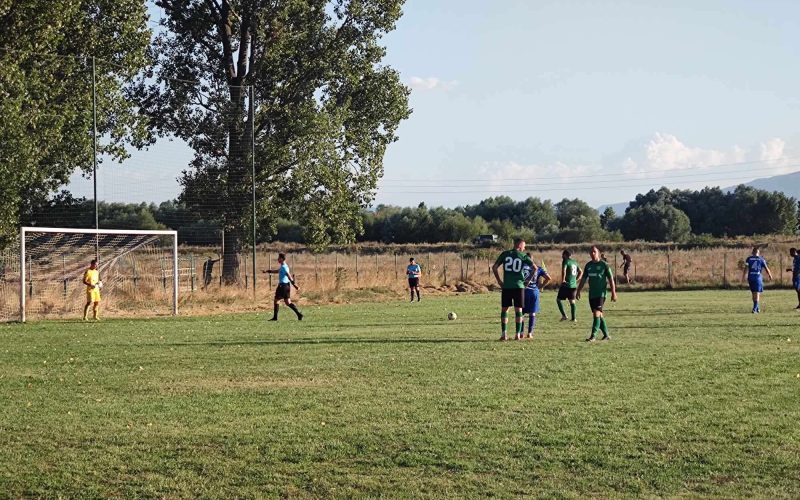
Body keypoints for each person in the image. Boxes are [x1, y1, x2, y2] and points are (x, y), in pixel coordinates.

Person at [492, 238, 534, 341]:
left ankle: (504, 334)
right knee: (518, 310)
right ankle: (517, 334)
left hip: (506, 286)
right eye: (524, 246)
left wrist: (499, 281)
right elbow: (535, 268)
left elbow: (494, 267)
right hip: (518, 286)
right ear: (519, 246)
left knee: (505, 309)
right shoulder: (523, 255)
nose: (524, 248)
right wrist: (528, 280)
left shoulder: (505, 254)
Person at [576, 246, 617, 342]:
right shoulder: (588, 266)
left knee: (596, 314)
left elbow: (611, 279)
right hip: (592, 294)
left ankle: (593, 336)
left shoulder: (604, 265)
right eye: (591, 252)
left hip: (601, 294)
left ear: (598, 253)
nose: (592, 254)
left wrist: (613, 293)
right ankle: (606, 335)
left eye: (594, 252)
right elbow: (583, 279)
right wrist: (578, 291)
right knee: (599, 315)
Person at [263, 253, 303, 321]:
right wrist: (268, 271)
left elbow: (288, 275)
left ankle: (275, 318)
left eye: (279, 258)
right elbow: (277, 271)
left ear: (282, 259)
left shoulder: (284, 267)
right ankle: (299, 314)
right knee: (288, 302)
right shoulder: (284, 266)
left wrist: (295, 285)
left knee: (276, 300)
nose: (278, 259)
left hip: (282, 286)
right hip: (286, 286)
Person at [521, 253, 552, 338]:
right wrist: (540, 287)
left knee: (521, 312)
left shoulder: (521, 267)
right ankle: (530, 333)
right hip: (534, 292)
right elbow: (548, 278)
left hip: (523, 291)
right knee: (532, 313)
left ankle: (521, 332)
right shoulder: (538, 268)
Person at [741, 247, 772, 313]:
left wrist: (743, 277)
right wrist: (770, 275)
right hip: (757, 277)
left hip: (750, 277)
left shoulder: (748, 259)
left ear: (752, 252)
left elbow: (746, 268)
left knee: (753, 293)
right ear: (758, 253)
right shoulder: (761, 259)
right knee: (757, 293)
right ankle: (754, 308)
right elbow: (766, 268)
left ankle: (757, 308)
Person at [556, 250, 582, 322]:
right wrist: (576, 279)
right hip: (573, 285)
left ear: (565, 255)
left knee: (558, 300)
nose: (562, 256)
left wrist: (563, 279)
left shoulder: (565, 261)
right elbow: (580, 271)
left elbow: (564, 270)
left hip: (566, 284)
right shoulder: (574, 262)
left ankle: (564, 316)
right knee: (572, 302)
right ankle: (574, 318)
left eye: (562, 255)